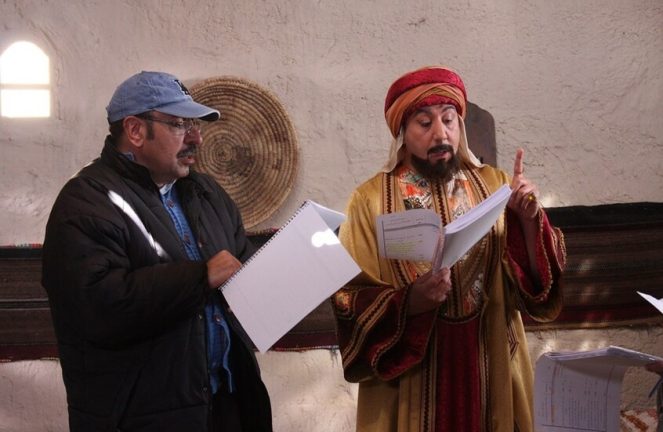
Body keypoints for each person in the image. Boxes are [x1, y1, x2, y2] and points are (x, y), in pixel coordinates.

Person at [331, 65, 566, 432]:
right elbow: (348, 296)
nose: (440, 134)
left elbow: (538, 290)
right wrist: (411, 301)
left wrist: (527, 221)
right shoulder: (369, 200)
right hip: (411, 376)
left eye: (449, 120)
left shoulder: (497, 186)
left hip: (490, 361)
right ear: (402, 132)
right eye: (424, 123)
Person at [42, 71, 272, 432]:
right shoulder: (87, 202)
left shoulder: (207, 193)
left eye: (195, 125)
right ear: (135, 131)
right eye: (180, 125)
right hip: (141, 418)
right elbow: (99, 307)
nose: (196, 138)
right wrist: (200, 277)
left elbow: (241, 271)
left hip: (225, 406)